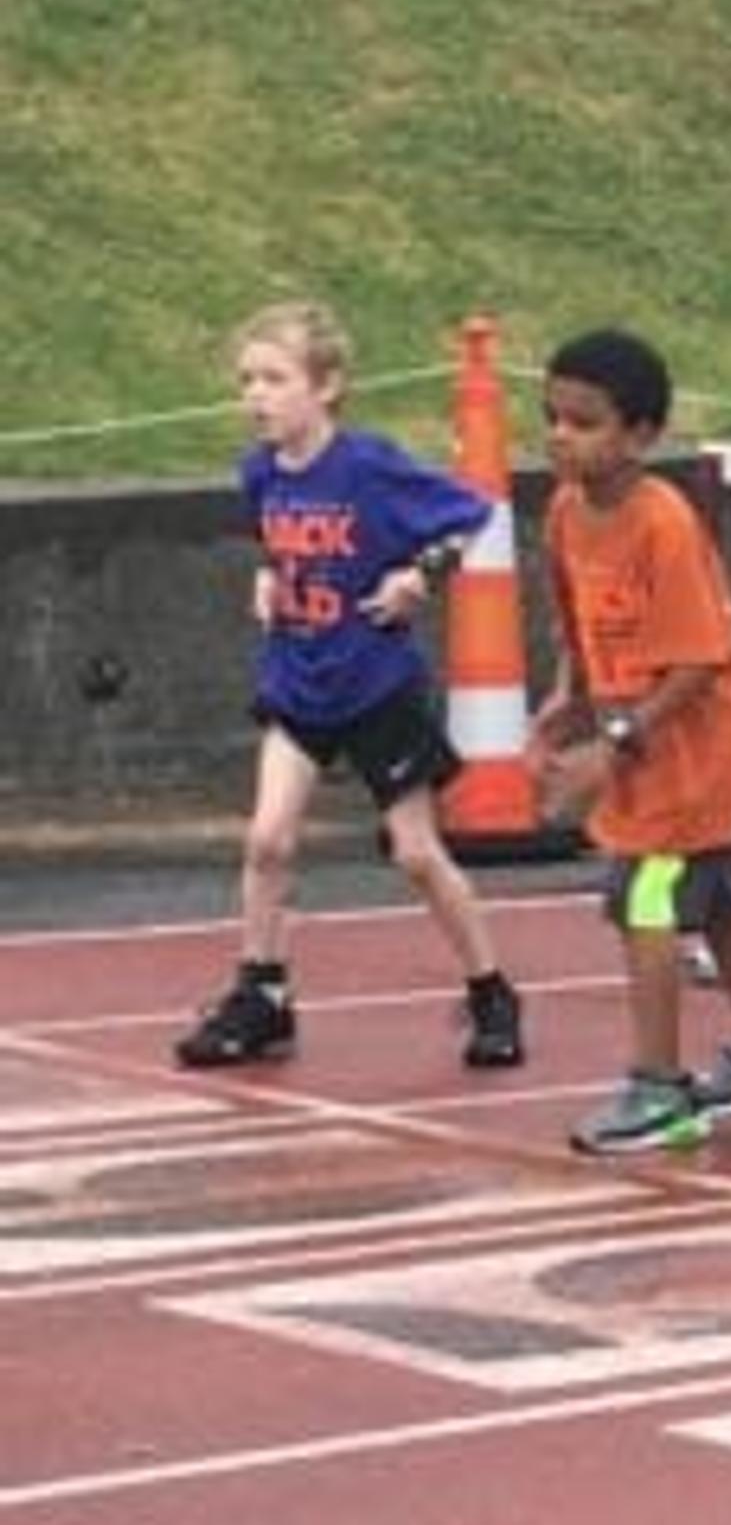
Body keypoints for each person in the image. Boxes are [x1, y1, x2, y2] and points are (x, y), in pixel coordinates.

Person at [176, 302, 523, 1073]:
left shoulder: (369, 466)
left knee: (416, 854)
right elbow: (273, 535)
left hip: (375, 685)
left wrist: (417, 576)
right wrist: (269, 575)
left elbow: (470, 516)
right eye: (247, 380)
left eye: (275, 379)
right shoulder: (259, 470)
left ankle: (492, 990)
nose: (257, 396)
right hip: (299, 680)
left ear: (326, 387)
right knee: (267, 840)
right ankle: (262, 993)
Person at [530, 329, 731, 1154]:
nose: (558, 436)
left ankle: (659, 1085)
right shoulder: (562, 512)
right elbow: (577, 625)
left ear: (641, 435)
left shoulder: (664, 523)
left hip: (697, 747)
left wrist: (611, 746)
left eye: (582, 423)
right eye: (550, 417)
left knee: (644, 902)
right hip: (636, 738)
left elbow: (699, 660)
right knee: (721, 898)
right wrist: (565, 703)